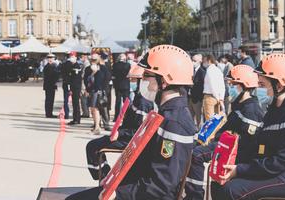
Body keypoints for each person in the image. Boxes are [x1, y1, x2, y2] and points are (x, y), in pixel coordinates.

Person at [66, 44, 196, 200]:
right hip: (135, 187)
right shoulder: (165, 113)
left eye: (147, 75)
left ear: (164, 81)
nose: (143, 80)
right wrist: (114, 179)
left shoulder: (175, 123)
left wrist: (119, 194)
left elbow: (162, 184)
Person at [212, 53, 285, 200]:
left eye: (263, 84)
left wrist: (240, 170)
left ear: (279, 85)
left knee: (233, 190)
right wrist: (235, 161)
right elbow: (260, 144)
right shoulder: (275, 108)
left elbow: (281, 161)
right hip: (280, 170)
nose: (259, 88)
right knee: (219, 182)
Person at [184, 65, 264, 200]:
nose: (230, 88)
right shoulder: (240, 104)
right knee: (191, 146)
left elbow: (247, 141)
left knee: (197, 155)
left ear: (243, 85)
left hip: (232, 148)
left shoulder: (251, 110)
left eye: (233, 84)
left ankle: (194, 196)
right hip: (223, 143)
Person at [86, 64, 154, 180]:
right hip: (124, 134)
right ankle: (105, 175)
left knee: (93, 146)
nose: (130, 82)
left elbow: (139, 131)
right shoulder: (138, 97)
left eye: (133, 79)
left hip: (129, 140)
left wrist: (120, 133)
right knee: (93, 146)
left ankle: (104, 177)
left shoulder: (143, 102)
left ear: (141, 81)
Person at [84, 54, 104, 134]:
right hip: (91, 91)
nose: (93, 61)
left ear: (98, 60)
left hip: (97, 91)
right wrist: (87, 90)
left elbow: (103, 80)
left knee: (95, 109)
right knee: (92, 109)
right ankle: (96, 126)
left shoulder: (102, 68)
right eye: (92, 60)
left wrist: (95, 72)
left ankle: (97, 127)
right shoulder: (88, 68)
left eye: (95, 60)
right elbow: (86, 80)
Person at [202, 54, 225, 121]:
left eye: (204, 61)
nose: (204, 63)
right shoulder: (218, 70)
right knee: (216, 119)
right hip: (217, 97)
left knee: (209, 120)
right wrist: (221, 98)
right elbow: (222, 85)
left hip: (210, 96)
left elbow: (212, 85)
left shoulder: (209, 70)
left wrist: (218, 98)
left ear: (209, 61)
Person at [189, 54, 206, 129]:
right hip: (190, 97)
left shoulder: (202, 72)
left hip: (197, 99)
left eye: (194, 61)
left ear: (200, 61)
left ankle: (200, 131)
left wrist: (200, 98)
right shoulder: (190, 70)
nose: (193, 62)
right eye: (192, 60)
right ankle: (191, 130)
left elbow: (202, 86)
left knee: (199, 117)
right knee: (190, 116)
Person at [112, 54, 131, 121]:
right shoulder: (128, 65)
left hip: (117, 85)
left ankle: (116, 117)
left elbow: (113, 75)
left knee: (118, 101)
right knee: (126, 101)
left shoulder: (115, 65)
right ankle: (127, 116)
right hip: (125, 84)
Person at [67, 52, 82, 125]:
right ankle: (75, 118)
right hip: (75, 87)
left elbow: (75, 80)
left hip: (76, 88)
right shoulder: (72, 65)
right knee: (74, 103)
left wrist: (71, 89)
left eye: (72, 57)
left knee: (76, 103)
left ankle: (77, 119)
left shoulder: (76, 66)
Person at [43, 54, 59, 118]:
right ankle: (48, 114)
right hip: (49, 85)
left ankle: (49, 113)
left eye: (51, 58)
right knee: (49, 100)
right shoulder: (47, 66)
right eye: (49, 58)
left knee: (51, 100)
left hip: (52, 85)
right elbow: (50, 76)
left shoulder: (54, 66)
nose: (50, 59)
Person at [60, 53, 73, 119]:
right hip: (72, 83)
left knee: (66, 100)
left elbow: (61, 73)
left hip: (65, 83)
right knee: (74, 100)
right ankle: (75, 114)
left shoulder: (63, 65)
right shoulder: (72, 65)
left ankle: (67, 114)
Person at [80, 54, 90, 118]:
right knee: (84, 98)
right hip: (84, 83)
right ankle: (85, 112)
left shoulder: (86, 64)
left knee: (83, 98)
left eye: (81, 57)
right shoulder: (86, 63)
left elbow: (83, 75)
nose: (81, 58)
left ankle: (85, 113)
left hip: (83, 83)